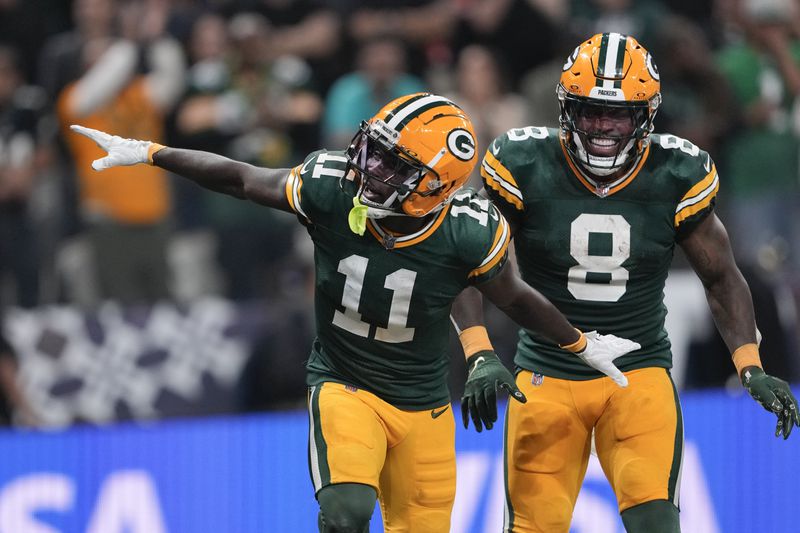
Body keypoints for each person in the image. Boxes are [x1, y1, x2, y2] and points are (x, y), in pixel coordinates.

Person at [70, 92, 639, 532]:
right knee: (345, 509)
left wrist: (578, 344)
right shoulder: (330, 188)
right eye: (374, 148)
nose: (367, 166)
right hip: (346, 384)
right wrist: (151, 152)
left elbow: (508, 294)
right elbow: (243, 178)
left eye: (392, 164)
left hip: (425, 408)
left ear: (432, 187)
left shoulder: (468, 229)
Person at [452, 33, 800, 533]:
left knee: (657, 522)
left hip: (638, 373)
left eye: (617, 114)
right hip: (548, 375)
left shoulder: (677, 171)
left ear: (646, 114)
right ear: (566, 108)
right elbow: (468, 259)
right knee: (532, 527)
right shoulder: (523, 162)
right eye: (590, 110)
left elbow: (721, 278)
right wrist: (479, 350)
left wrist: (749, 364)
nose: (601, 127)